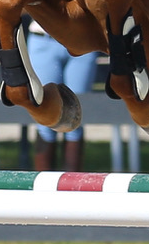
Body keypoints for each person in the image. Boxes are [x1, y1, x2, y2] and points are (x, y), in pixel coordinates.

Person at [23, 20, 96, 172]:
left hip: (82, 38)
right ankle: (43, 184)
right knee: (45, 116)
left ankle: (74, 185)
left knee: (76, 118)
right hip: (44, 38)